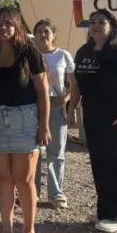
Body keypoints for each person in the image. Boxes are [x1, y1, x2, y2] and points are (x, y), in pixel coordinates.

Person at [0, 7, 49, 233]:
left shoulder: (29, 52)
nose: (3, 28)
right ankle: (6, 231)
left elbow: (42, 92)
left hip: (25, 119)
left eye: (8, 23)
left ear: (17, 25)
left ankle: (29, 231)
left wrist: (44, 125)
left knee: (24, 178)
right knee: (3, 179)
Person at [66, 10, 117, 233]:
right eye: (93, 22)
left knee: (116, 167)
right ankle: (103, 210)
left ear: (112, 26)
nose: (96, 26)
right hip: (92, 117)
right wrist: (71, 112)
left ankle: (115, 216)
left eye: (102, 22)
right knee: (99, 165)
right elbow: (76, 86)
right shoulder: (84, 52)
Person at [33, 19, 75, 210]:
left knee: (56, 151)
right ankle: (32, 191)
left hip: (56, 106)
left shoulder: (63, 55)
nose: (43, 34)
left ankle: (56, 192)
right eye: (39, 31)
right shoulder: (30, 55)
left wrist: (65, 99)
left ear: (53, 35)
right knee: (33, 151)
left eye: (46, 31)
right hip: (33, 107)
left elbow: (74, 83)